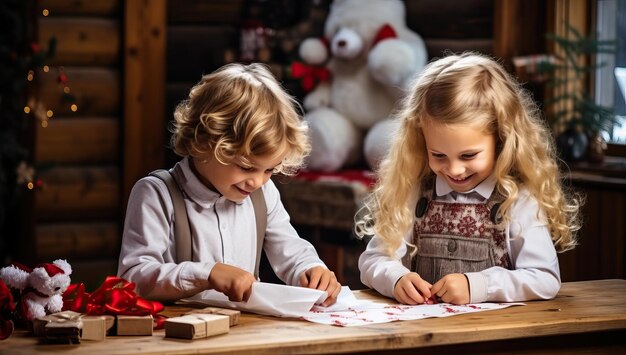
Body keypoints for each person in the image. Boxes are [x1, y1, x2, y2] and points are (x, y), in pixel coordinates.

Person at [356, 52, 583, 305]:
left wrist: (480, 286)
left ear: (501, 139)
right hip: (422, 332)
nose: (454, 169)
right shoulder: (415, 193)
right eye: (439, 155)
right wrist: (396, 279)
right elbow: (373, 260)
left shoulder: (518, 201)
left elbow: (544, 278)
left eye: (468, 155)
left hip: (490, 338)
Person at [118, 63, 341, 306]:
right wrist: (208, 274)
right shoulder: (157, 194)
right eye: (245, 167)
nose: (257, 181)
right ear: (203, 142)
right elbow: (132, 279)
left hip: (244, 333)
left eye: (269, 169)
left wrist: (310, 268)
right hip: (175, 337)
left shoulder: (262, 193)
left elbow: (290, 249)